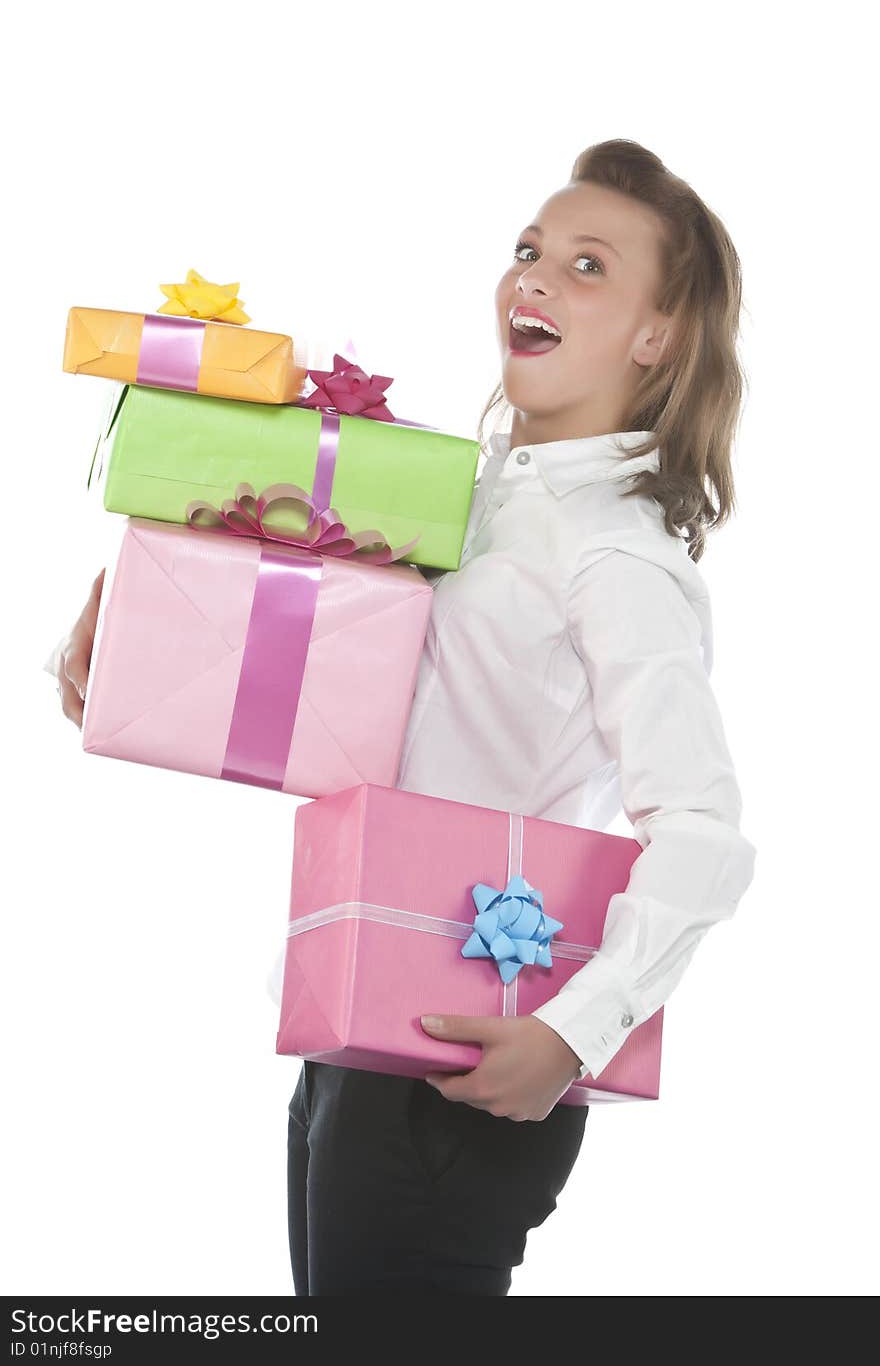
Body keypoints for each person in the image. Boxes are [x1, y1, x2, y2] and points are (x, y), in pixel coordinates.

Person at [52, 139, 757, 1296]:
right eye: (529, 251)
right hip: (353, 1022)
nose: (533, 278)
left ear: (657, 334)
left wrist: (574, 1035)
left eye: (587, 266)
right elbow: (340, 680)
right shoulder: (473, 500)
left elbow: (705, 831)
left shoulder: (614, 557)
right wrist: (118, 647)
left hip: (468, 1061)